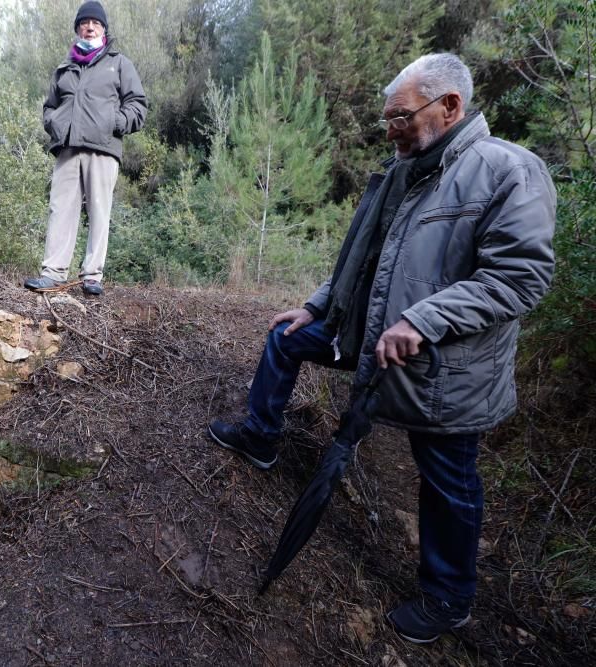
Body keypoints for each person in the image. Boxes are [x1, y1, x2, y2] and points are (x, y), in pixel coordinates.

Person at [207, 54, 555, 643]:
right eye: (386, 118)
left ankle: (448, 599)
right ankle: (261, 438)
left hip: (448, 367)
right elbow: (363, 258)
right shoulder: (404, 170)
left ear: (450, 107)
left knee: (446, 476)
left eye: (401, 116)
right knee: (284, 339)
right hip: (366, 336)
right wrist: (317, 306)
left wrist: (424, 319)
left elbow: (520, 279)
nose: (390, 128)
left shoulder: (508, 171)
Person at [24, 1, 147, 297]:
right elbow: (49, 108)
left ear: (103, 29)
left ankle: (92, 276)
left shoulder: (119, 63)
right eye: (84, 23)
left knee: (99, 211)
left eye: (95, 23)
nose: (89, 27)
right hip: (67, 149)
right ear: (78, 28)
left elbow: (138, 106)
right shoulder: (64, 68)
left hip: (103, 149)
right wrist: (54, 123)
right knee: (59, 210)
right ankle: (53, 274)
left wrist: (113, 122)